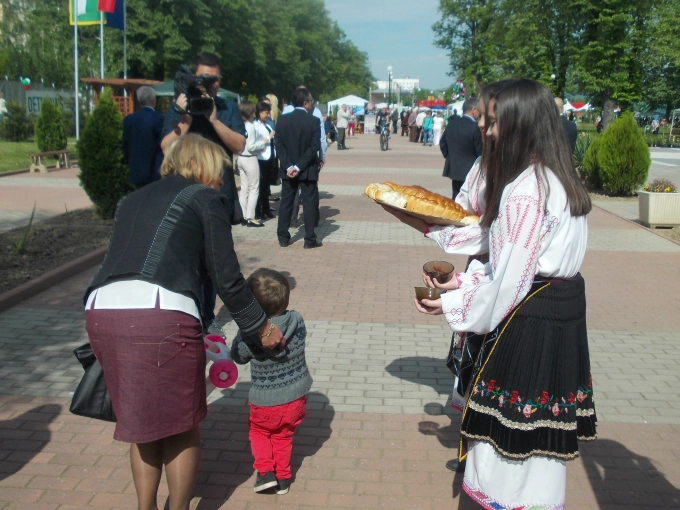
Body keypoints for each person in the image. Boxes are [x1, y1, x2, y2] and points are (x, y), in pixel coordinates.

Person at [384, 79, 596, 510]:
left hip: (529, 319)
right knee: (537, 442)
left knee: (505, 440)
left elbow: (507, 286)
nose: (487, 129)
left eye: (495, 121)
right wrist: (450, 260)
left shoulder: (526, 191)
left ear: (520, 123)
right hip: (556, 311)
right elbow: (513, 257)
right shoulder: (556, 177)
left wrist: (450, 302)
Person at [83, 133, 285, 510]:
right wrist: (262, 327)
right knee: (181, 425)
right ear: (195, 164)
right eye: (219, 171)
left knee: (143, 426)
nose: (222, 181)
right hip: (160, 315)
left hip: (101, 311)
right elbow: (227, 278)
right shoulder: (205, 198)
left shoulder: (131, 199)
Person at [230, 268, 312, 495]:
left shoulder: (251, 334)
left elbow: (238, 356)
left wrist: (243, 330)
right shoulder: (297, 320)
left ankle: (266, 472)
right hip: (296, 396)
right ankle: (283, 478)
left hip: (266, 399)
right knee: (283, 436)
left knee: (259, 431)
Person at [160, 52, 245, 226]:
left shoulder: (228, 108)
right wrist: (185, 122)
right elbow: (166, 148)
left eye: (216, 79)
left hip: (219, 191)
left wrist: (215, 121)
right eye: (206, 78)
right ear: (194, 78)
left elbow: (240, 146)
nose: (212, 83)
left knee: (219, 240)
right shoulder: (180, 108)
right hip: (185, 192)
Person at [275, 87, 322, 249]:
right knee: (309, 203)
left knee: (286, 202)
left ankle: (283, 237)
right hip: (307, 169)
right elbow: (314, 146)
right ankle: (309, 239)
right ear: (305, 103)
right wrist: (299, 165)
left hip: (288, 170)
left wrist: (289, 165)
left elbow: (279, 145)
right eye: (310, 102)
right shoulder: (313, 121)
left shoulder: (282, 120)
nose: (311, 105)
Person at [121, 86, 165, 189]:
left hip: (136, 170)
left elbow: (125, 145)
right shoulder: (159, 119)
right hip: (155, 171)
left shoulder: (129, 120)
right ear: (153, 100)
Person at [440, 96, 483, 199]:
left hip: (455, 169)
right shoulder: (475, 127)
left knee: (456, 196)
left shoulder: (452, 124)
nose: (479, 114)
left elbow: (442, 143)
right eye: (479, 111)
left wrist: (450, 157)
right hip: (471, 170)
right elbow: (480, 151)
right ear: (473, 109)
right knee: (469, 199)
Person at [237, 101, 268, 227]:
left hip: (241, 157)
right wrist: (263, 142)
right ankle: (251, 216)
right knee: (254, 188)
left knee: (244, 188)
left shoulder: (240, 124)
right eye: (253, 110)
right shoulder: (250, 126)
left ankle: (244, 215)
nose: (255, 112)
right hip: (250, 158)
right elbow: (251, 146)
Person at [254, 101, 277, 222]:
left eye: (268, 113)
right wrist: (269, 137)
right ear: (259, 112)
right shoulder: (255, 125)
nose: (268, 115)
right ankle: (258, 210)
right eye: (266, 113)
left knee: (266, 185)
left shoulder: (266, 124)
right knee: (260, 185)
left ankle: (266, 208)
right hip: (260, 157)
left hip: (269, 157)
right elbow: (258, 141)